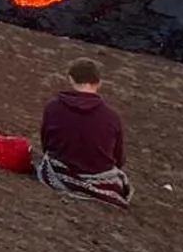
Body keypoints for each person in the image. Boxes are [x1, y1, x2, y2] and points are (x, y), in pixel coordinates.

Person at [35, 58, 132, 206]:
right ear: (99, 83)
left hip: (58, 172)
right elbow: (118, 159)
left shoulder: (53, 107)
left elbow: (46, 144)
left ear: (71, 79)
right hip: (100, 177)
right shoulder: (112, 117)